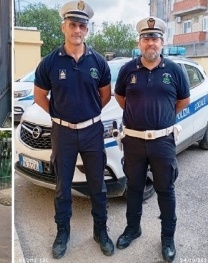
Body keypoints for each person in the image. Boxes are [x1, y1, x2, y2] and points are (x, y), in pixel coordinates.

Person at [33, 0, 113, 259]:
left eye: (82, 25)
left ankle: (100, 231)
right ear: (63, 27)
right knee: (62, 187)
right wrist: (60, 116)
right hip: (63, 133)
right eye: (72, 24)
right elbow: (39, 96)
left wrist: (86, 115)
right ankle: (62, 233)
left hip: (92, 131)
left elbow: (105, 96)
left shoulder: (99, 62)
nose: (77, 30)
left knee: (98, 187)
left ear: (87, 30)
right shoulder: (50, 63)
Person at [114, 17, 190, 262]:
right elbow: (121, 98)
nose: (151, 43)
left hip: (162, 142)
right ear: (139, 42)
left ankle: (167, 237)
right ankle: (132, 229)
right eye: (146, 38)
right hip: (134, 141)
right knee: (134, 189)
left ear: (163, 42)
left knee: (165, 190)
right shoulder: (128, 70)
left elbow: (182, 101)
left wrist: (162, 119)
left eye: (155, 38)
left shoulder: (174, 71)